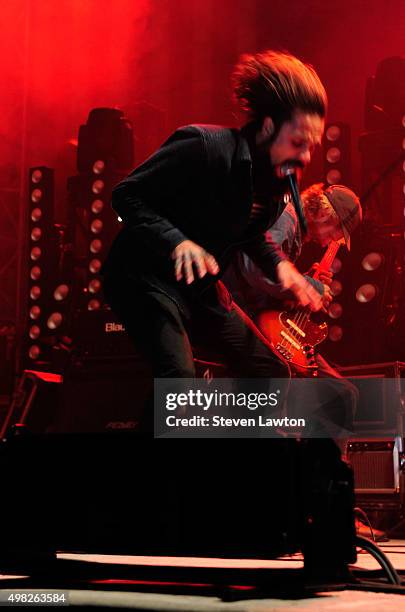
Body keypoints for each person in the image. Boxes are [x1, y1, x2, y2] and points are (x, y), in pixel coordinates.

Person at [102, 49, 328, 427]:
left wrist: (281, 268)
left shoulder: (276, 187)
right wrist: (178, 242)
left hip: (200, 289)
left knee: (269, 373)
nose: (306, 156)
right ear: (269, 127)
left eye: (312, 146)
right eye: (299, 142)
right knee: (178, 384)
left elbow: (251, 235)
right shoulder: (204, 146)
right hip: (144, 279)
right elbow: (125, 196)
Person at [223, 182, 362, 443]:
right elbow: (256, 268)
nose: (333, 240)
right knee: (333, 393)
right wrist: (308, 286)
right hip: (244, 317)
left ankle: (316, 470)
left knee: (343, 394)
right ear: (323, 215)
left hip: (263, 319)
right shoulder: (285, 218)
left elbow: (271, 282)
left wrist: (304, 284)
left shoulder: (292, 227)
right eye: (336, 231)